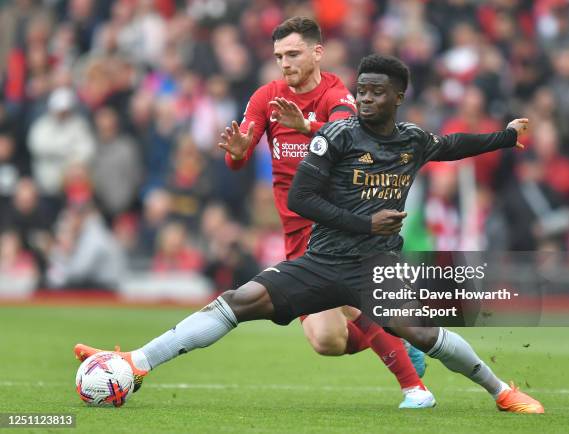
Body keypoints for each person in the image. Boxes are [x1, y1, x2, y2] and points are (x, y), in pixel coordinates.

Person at [74, 54, 544, 413]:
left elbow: (454, 145)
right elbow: (301, 199)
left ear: (397, 97)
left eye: (376, 92)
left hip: (375, 271)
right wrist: (366, 222)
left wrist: (505, 136)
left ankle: (502, 393)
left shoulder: (412, 140)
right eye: (360, 91)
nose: (364, 99)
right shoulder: (335, 137)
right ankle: (136, 362)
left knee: (425, 334)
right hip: (321, 262)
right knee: (237, 302)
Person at [217, 16, 429, 409]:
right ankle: (401, 339)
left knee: (352, 299)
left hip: (334, 222)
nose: (285, 62)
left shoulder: (337, 95)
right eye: (279, 55)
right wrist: (237, 153)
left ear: (318, 52)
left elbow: (348, 137)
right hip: (294, 229)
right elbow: (240, 155)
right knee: (326, 341)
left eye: (293, 53)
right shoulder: (266, 97)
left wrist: (308, 126)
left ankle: (413, 385)